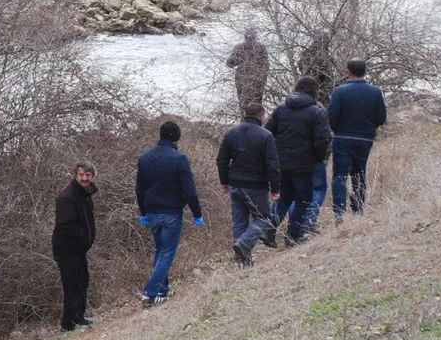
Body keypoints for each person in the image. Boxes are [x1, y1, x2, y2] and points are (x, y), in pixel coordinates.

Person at [135, 121, 204, 306]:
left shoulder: (144, 158)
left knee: (159, 251)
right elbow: (189, 191)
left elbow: (139, 190)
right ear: (177, 136)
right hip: (171, 213)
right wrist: (197, 213)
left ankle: (163, 290)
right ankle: (150, 293)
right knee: (166, 253)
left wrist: (143, 212)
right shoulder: (179, 159)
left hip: (152, 212)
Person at [265, 77, 332, 244]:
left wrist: (273, 155)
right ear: (314, 92)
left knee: (285, 196)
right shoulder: (317, 112)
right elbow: (323, 140)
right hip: (304, 164)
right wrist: (318, 158)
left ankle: (269, 229)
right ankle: (294, 235)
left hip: (281, 162)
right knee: (303, 199)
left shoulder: (280, 110)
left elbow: (266, 133)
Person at [216, 102, 281, 267]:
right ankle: (245, 244)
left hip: (235, 184)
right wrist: (275, 188)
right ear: (262, 117)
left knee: (239, 221)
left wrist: (224, 181)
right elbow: (272, 165)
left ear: (245, 115)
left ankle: (242, 261)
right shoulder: (266, 136)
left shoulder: (231, 133)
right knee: (264, 217)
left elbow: (222, 160)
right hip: (257, 186)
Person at [328, 59, 388, 219]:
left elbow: (331, 117)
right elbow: (381, 118)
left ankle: (340, 212)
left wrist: (337, 128)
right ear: (365, 71)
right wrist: (368, 127)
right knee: (359, 174)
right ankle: (359, 210)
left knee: (340, 175)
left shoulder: (339, 92)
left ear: (348, 72)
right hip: (365, 139)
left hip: (342, 138)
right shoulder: (375, 92)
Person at [298, 30, 338, 234]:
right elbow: (329, 81)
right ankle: (309, 220)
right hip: (319, 102)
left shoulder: (306, 54)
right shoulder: (323, 57)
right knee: (319, 187)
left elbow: (300, 67)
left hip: (297, 155)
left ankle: (296, 223)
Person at [51, 163, 97, 332]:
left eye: (88, 175)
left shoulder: (84, 194)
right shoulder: (67, 197)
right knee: (71, 284)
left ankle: (79, 317)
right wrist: (83, 237)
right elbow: (65, 225)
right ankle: (68, 323)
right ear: (75, 175)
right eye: (81, 175)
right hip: (67, 249)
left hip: (79, 249)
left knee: (82, 281)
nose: (85, 178)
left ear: (93, 176)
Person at [227, 29, 269, 107]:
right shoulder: (261, 47)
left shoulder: (239, 47)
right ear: (255, 37)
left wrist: (240, 59)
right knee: (257, 103)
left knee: (243, 103)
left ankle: (244, 118)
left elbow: (230, 64)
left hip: (242, 79)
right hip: (258, 80)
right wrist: (262, 79)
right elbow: (266, 66)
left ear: (245, 37)